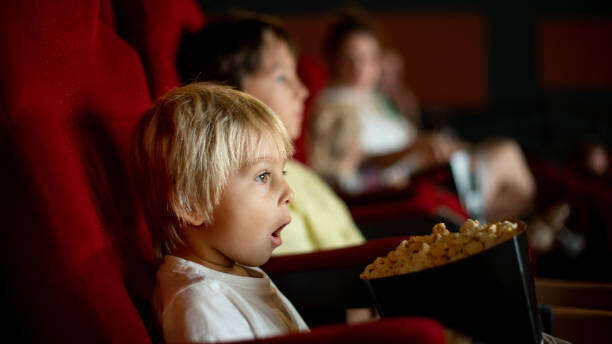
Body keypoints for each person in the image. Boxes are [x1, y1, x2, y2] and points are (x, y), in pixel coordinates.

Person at [312, 14, 536, 222]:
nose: (360, 68)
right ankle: (523, 232)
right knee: (507, 153)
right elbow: (357, 164)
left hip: (425, 171)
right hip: (401, 189)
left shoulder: (374, 99)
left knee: (512, 176)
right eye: (350, 59)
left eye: (369, 59)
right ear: (334, 60)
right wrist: (415, 147)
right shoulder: (333, 106)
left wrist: (399, 96)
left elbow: (408, 134)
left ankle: (518, 231)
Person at [134, 83, 309, 343]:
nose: (289, 193)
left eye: (281, 173)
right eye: (263, 176)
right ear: (192, 204)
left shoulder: (237, 271)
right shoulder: (201, 308)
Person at [177, 15, 366, 255]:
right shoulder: (244, 194)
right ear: (230, 93)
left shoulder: (299, 173)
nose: (302, 90)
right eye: (282, 77)